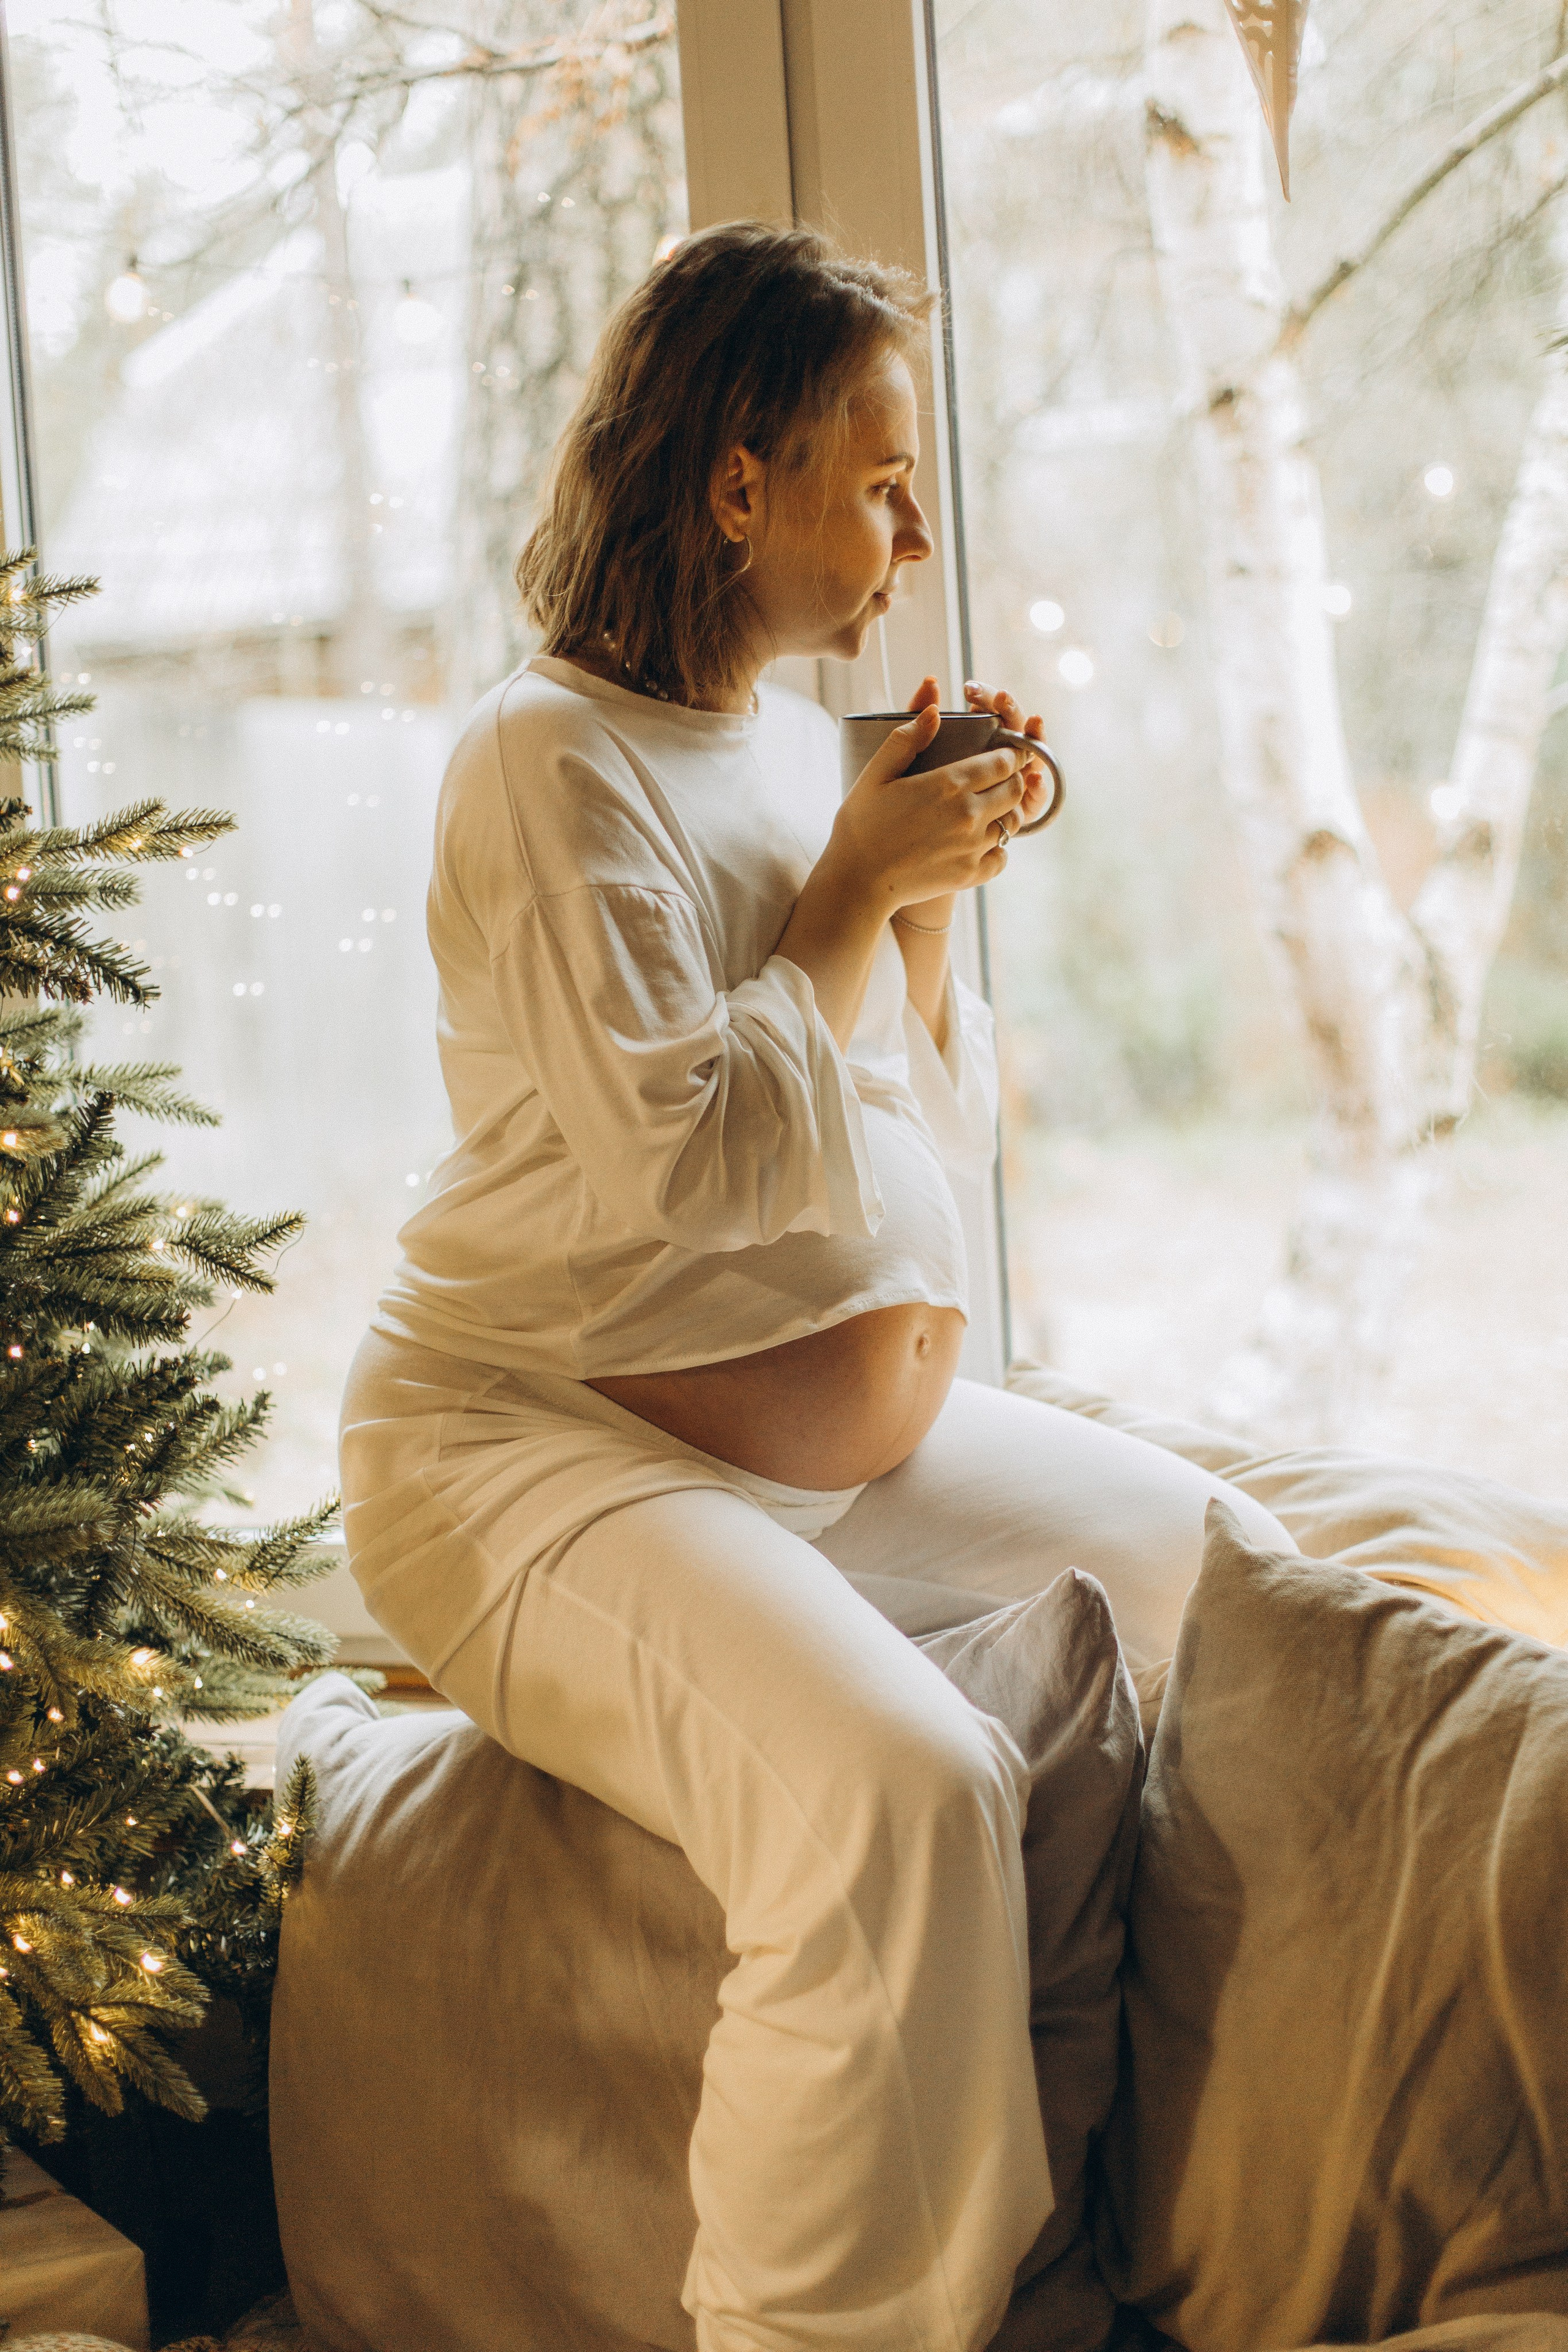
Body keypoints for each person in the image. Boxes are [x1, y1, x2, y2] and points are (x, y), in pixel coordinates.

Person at [340, 220, 1291, 2352]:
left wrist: (916, 885)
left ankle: (1090, 2252)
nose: (917, 528)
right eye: (880, 478)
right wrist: (856, 880)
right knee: (904, 1785)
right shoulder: (544, 757)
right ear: (736, 482)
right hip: (530, 1449)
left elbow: (883, 1146)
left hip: (809, 1442)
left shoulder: (775, 742)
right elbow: (682, 1176)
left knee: (1241, 1595)